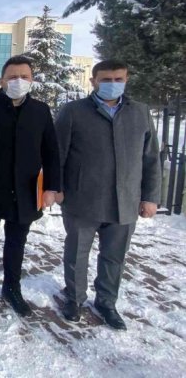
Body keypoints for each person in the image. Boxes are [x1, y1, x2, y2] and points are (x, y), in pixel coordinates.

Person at [54, 59, 161, 330]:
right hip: (82, 199)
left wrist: (150, 196)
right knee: (77, 253)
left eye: (118, 79)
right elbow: (57, 154)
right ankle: (74, 298)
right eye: (106, 80)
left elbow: (150, 158)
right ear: (93, 81)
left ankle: (106, 302)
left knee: (114, 256)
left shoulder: (140, 113)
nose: (113, 84)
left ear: (126, 80)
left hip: (124, 201)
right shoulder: (73, 111)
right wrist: (57, 188)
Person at [0, 55, 60, 316]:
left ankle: (12, 286)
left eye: (24, 77)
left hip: (26, 190)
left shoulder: (40, 111)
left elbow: (51, 151)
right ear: (2, 80)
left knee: (17, 241)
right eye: (12, 77)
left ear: (32, 80)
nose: (18, 81)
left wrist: (51, 187)